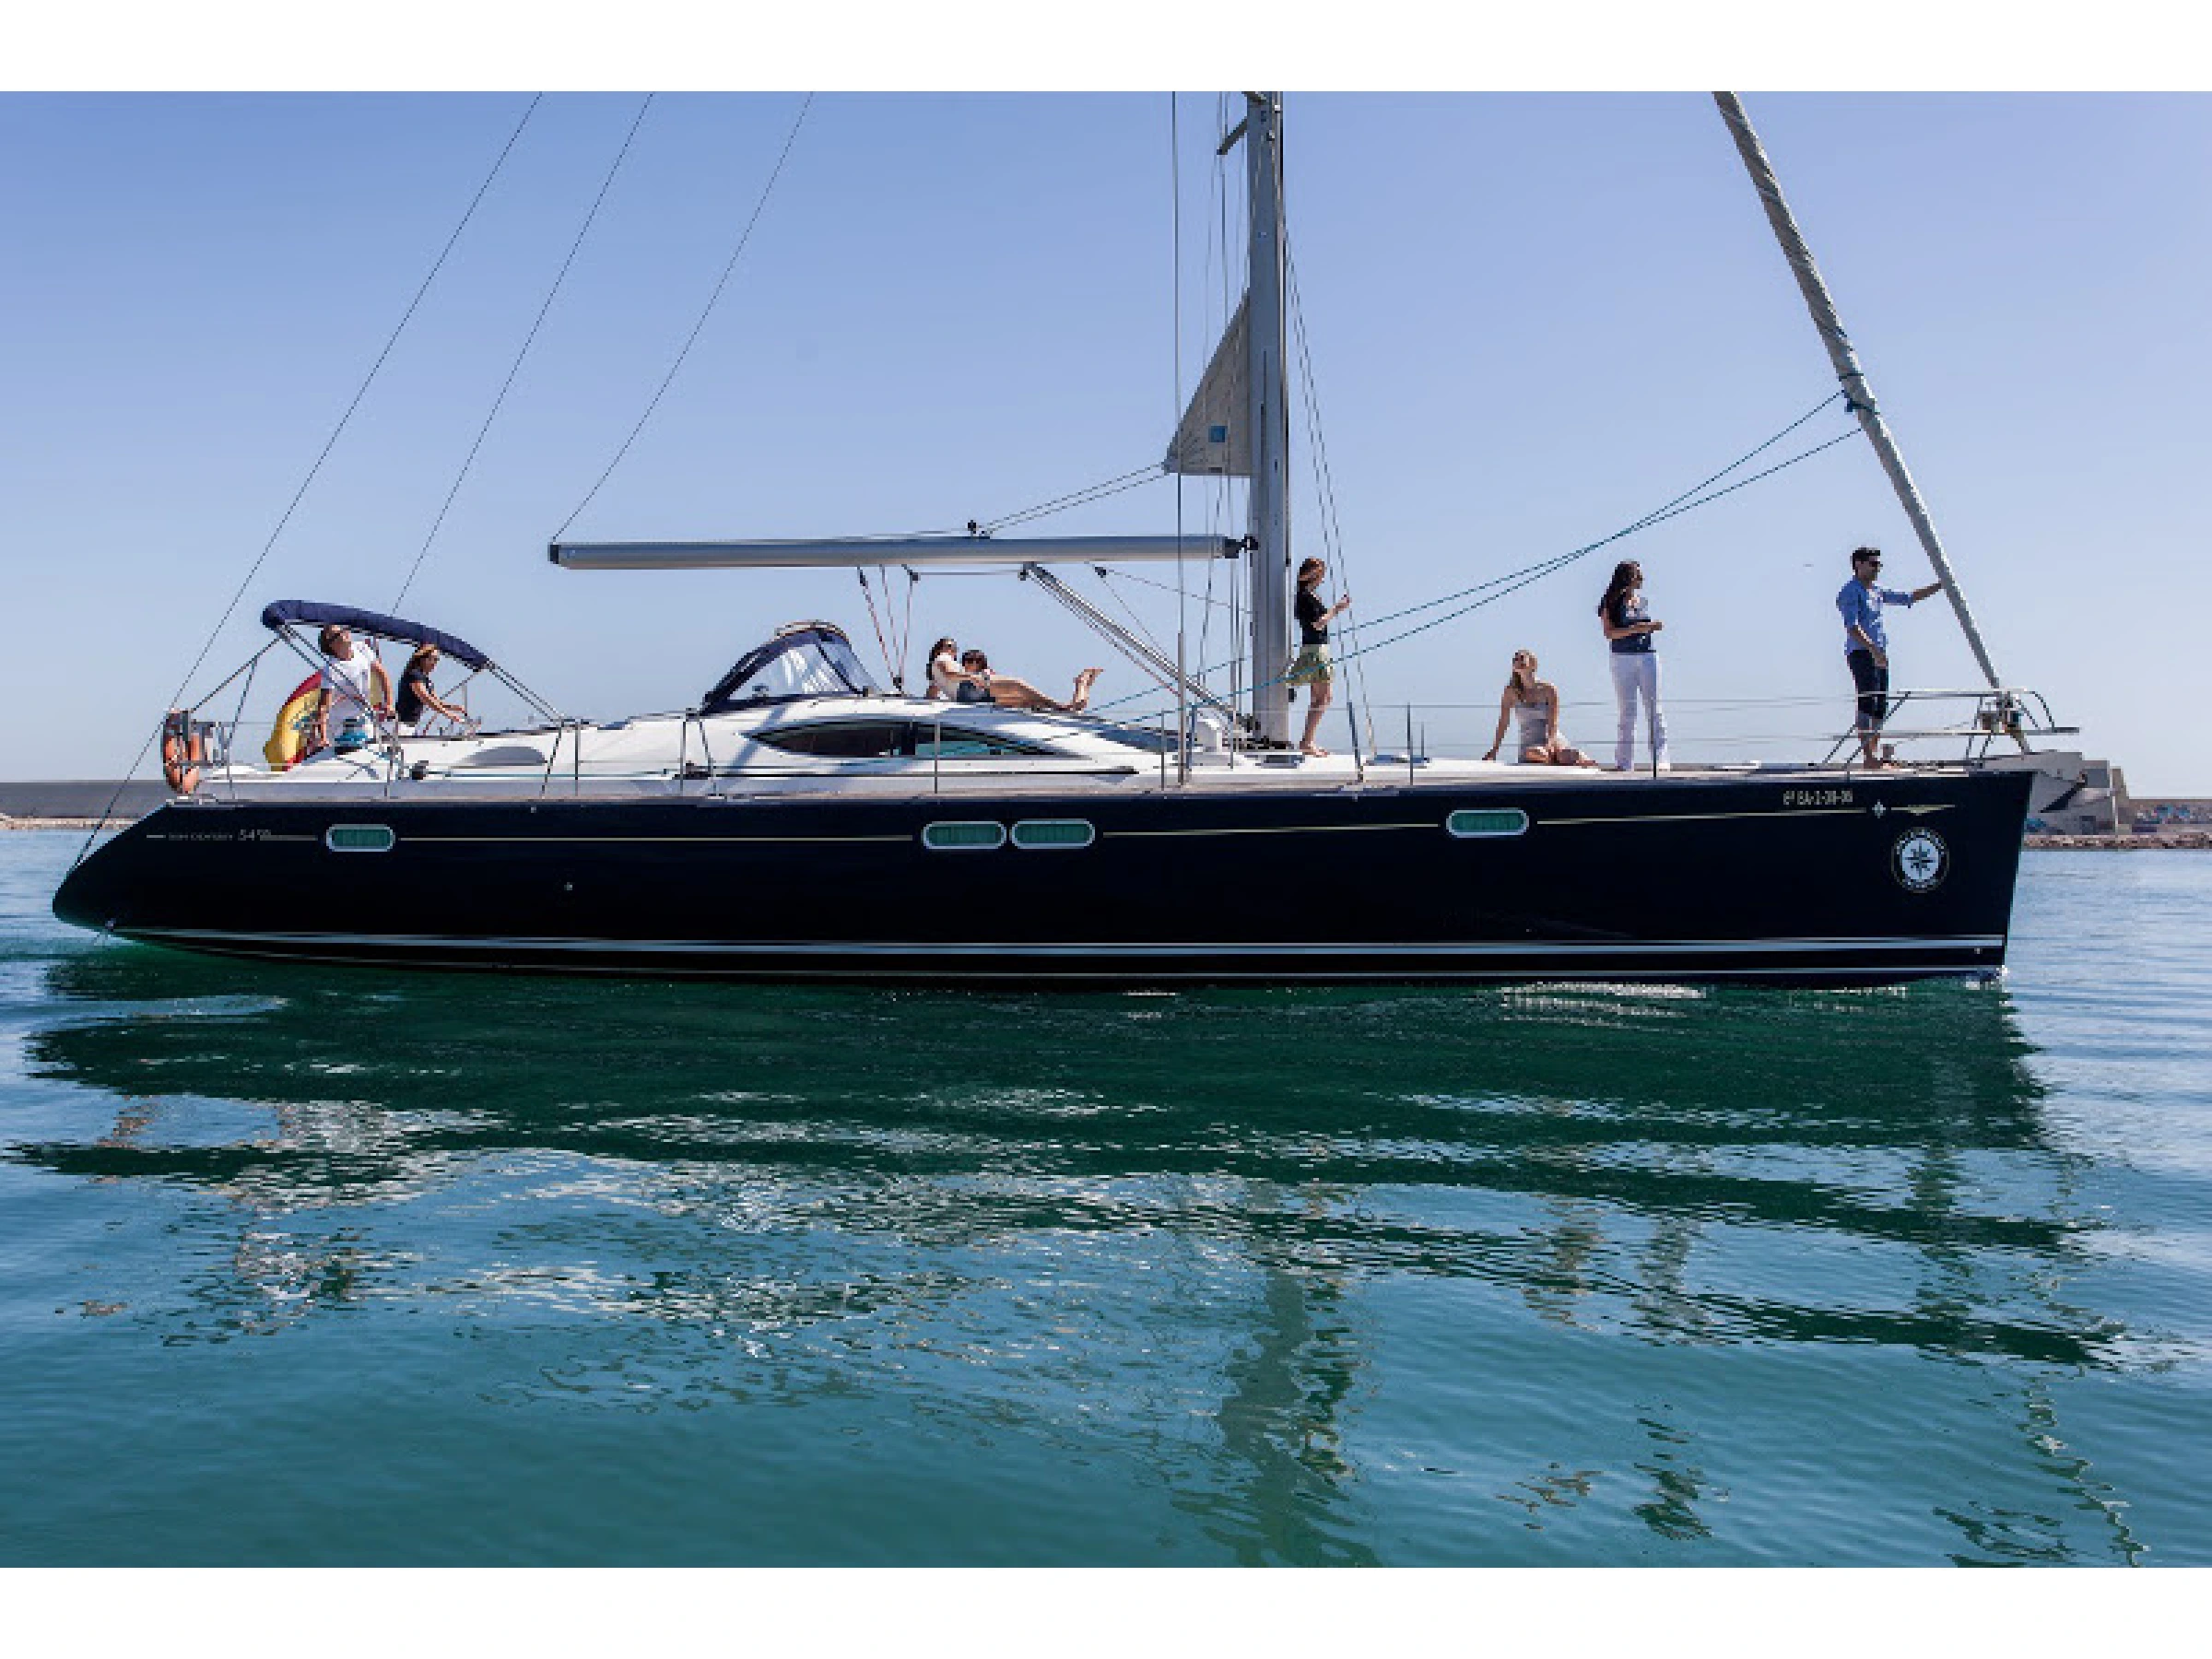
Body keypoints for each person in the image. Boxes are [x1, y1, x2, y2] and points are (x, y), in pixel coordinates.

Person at [1837, 545, 1944, 768]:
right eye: (1873, 564)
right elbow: (1852, 626)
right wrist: (1873, 649)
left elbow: (1908, 597)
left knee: (1880, 705)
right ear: (1858, 564)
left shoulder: (1876, 591)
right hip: (1862, 652)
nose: (1877, 568)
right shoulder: (1851, 591)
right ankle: (1868, 757)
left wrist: (1941, 585)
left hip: (1879, 653)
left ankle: (1874, 753)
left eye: (1879, 565)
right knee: (1867, 701)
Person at [1597, 559, 1669, 772]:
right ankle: (1624, 762)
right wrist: (1637, 629)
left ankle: (1660, 759)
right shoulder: (1610, 602)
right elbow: (1609, 633)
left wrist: (1651, 627)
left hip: (1647, 655)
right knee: (1627, 710)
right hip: (1622, 658)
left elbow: (1643, 627)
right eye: (1638, 574)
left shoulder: (1642, 601)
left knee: (1654, 708)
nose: (1642, 578)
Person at [1482, 649, 1595, 767]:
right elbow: (1503, 722)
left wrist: (1550, 744)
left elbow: (1553, 722)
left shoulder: (1549, 689)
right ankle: (1554, 761)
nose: (1518, 661)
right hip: (1531, 745)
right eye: (1515, 660)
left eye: (1522, 658)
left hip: (1552, 739)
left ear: (1533, 663)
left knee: (1566, 754)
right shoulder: (1511, 692)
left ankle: (1586, 763)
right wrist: (1494, 750)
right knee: (1536, 753)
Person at [1286, 556, 1351, 757]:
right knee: (1323, 697)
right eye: (1317, 573)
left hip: (1315, 648)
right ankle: (1307, 741)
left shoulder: (1308, 595)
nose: (1320, 577)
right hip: (1316, 649)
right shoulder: (1305, 596)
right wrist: (1337, 609)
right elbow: (1318, 624)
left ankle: (1308, 741)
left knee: (1319, 698)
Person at [308, 625, 387, 756]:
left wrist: (389, 703)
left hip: (363, 717)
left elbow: (382, 674)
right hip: (339, 723)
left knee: (370, 752)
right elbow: (324, 707)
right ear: (332, 644)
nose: (345, 633)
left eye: (344, 630)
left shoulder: (362, 648)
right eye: (339, 633)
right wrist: (323, 737)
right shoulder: (331, 669)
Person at [959, 649, 1100, 712]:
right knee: (1072, 708)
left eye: (975, 661)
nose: (970, 664)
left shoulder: (983, 675)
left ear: (981, 663)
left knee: (1070, 708)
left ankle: (1081, 685)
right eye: (967, 661)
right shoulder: (964, 676)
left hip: (989, 701)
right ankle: (1082, 684)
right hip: (986, 703)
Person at [395, 643, 469, 735]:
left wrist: (454, 707)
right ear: (422, 659)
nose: (435, 663)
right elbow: (426, 698)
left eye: (437, 660)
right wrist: (449, 714)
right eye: (432, 659)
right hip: (401, 724)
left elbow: (436, 701)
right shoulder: (413, 675)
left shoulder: (427, 681)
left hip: (411, 725)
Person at [924, 637, 985, 702]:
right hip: (964, 690)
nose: (953, 648)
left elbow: (933, 690)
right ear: (939, 650)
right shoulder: (943, 657)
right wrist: (972, 677)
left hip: (960, 696)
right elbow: (949, 674)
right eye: (949, 646)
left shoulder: (938, 668)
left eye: (955, 647)